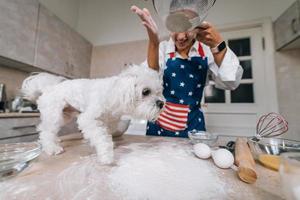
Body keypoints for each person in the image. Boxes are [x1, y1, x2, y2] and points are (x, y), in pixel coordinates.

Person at [131, 5, 243, 138]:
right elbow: (149, 76)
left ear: (198, 26)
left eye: (188, 28)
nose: (181, 36)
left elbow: (231, 82)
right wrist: (154, 42)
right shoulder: (162, 49)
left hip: (193, 129)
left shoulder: (207, 51)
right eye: (175, 27)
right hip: (158, 129)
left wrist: (217, 44)